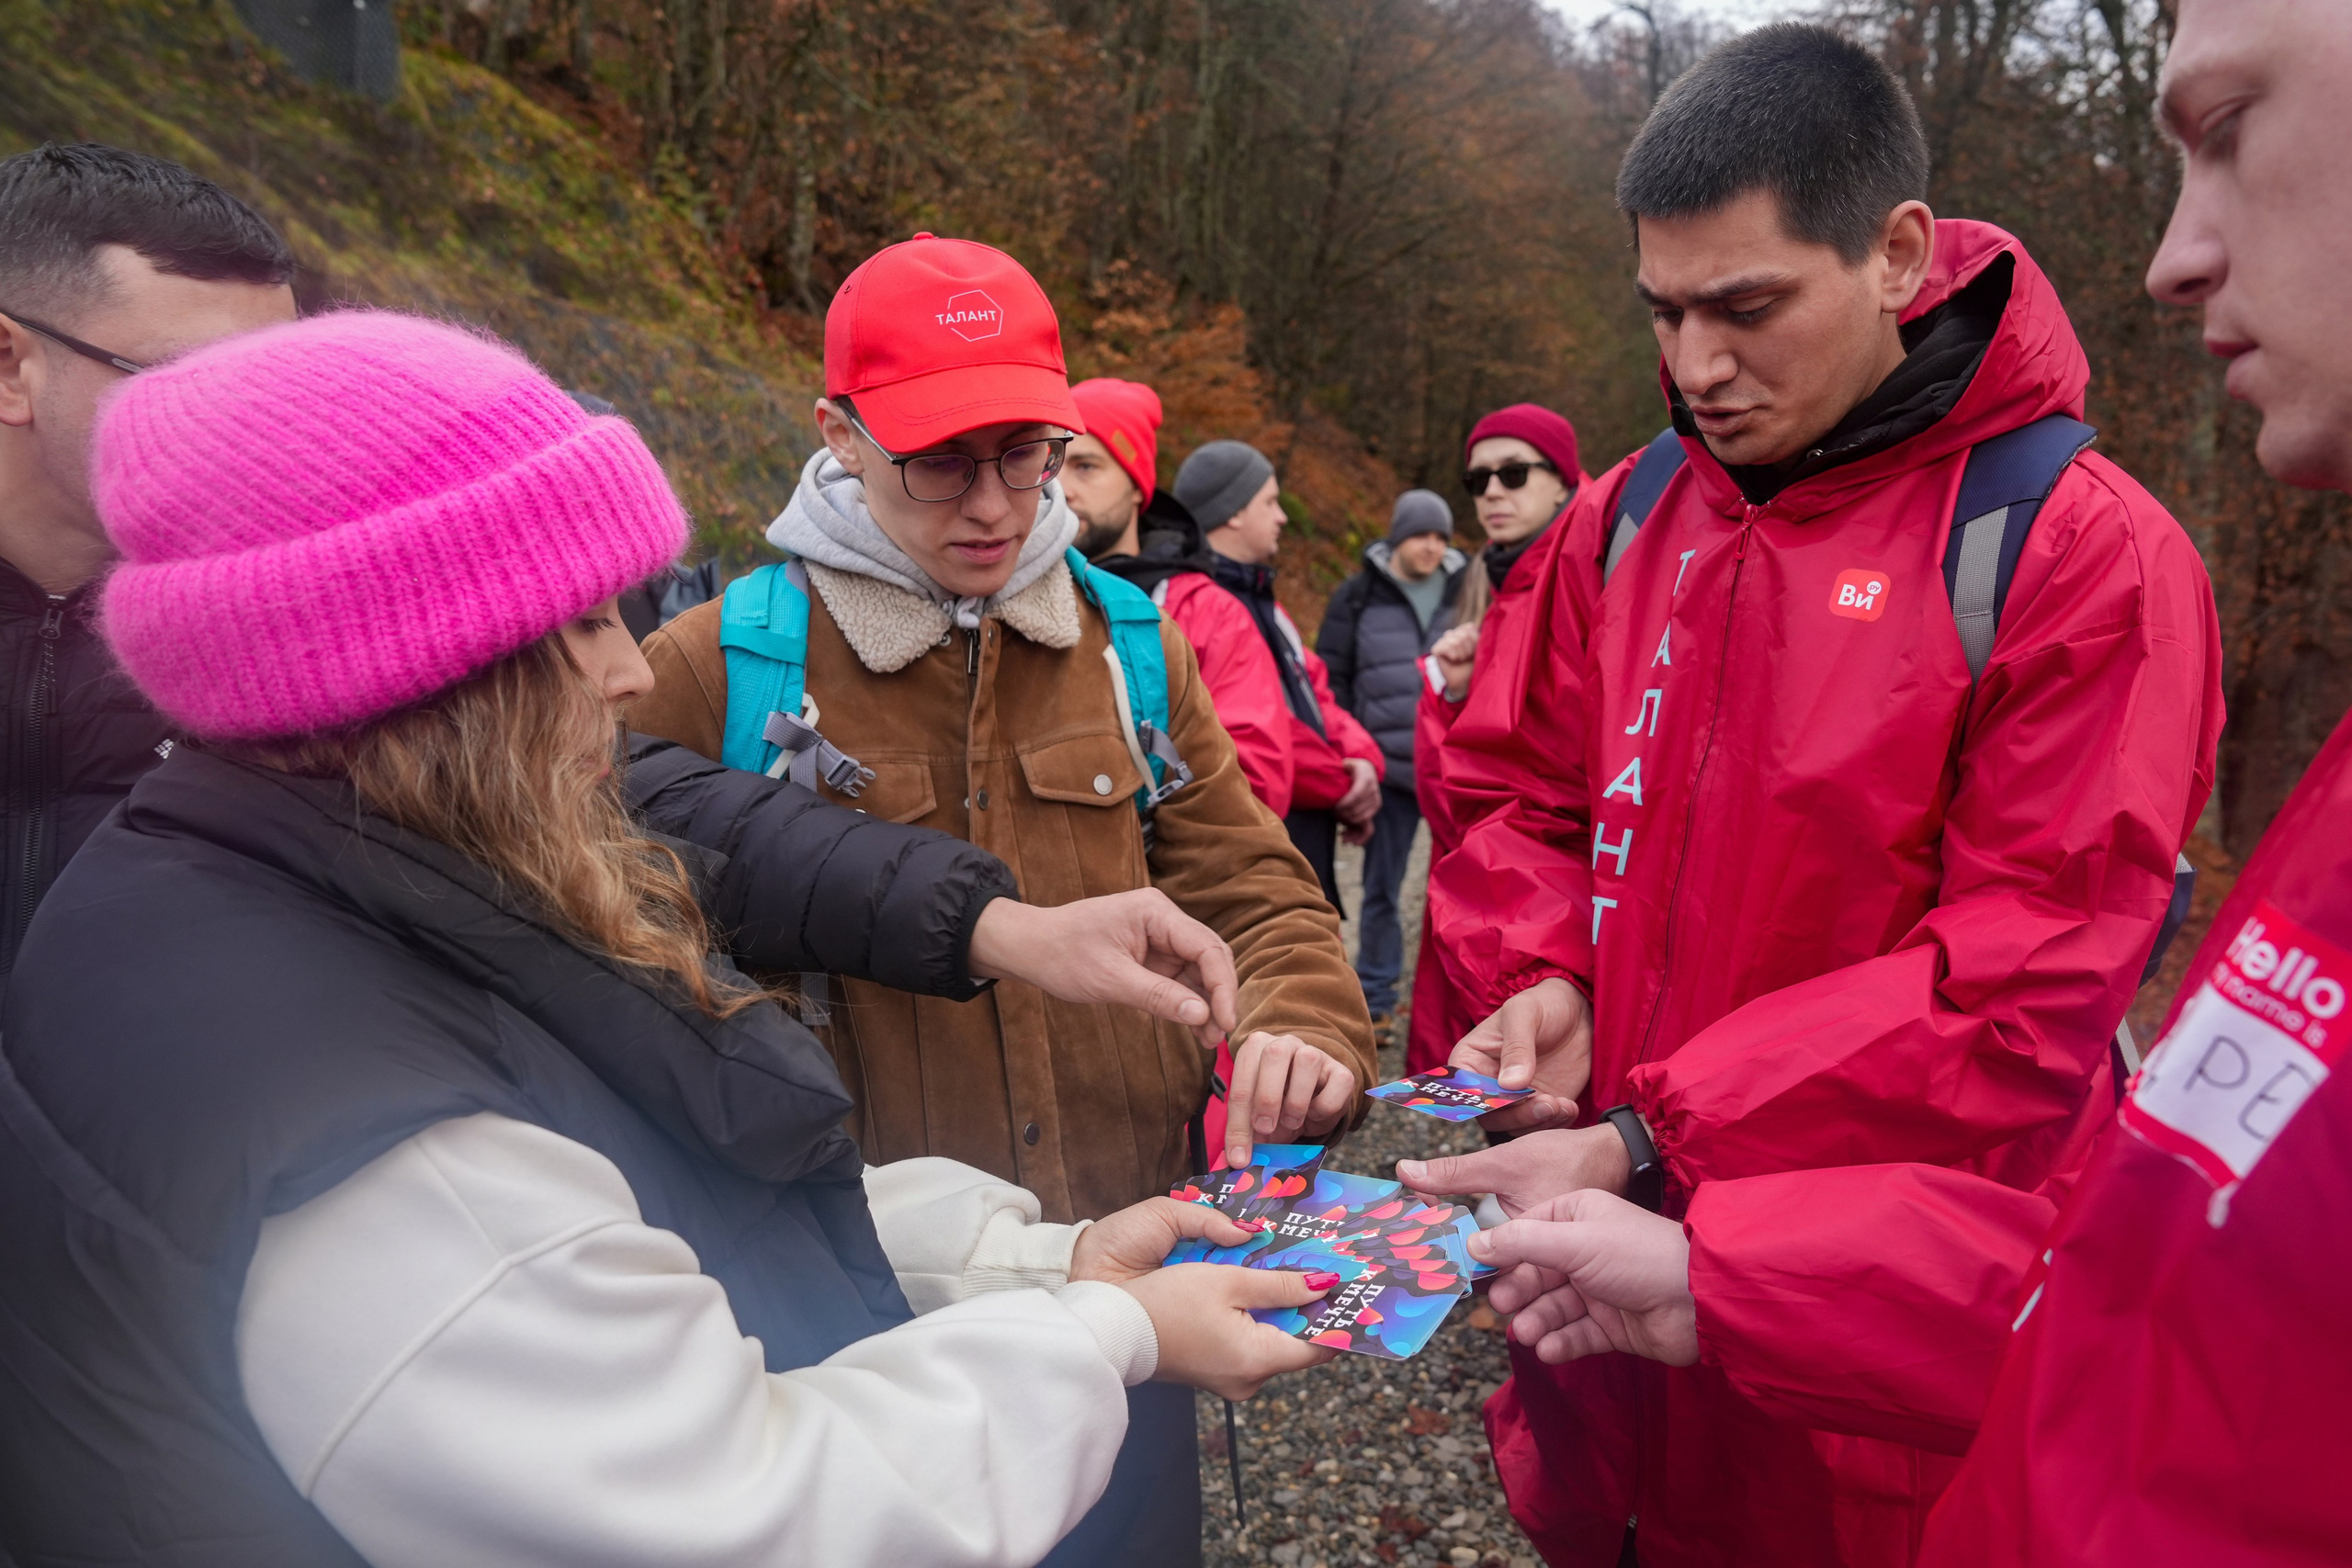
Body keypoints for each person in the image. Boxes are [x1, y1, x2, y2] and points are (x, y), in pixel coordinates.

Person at [0, 310, 1343, 1568]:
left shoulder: (302, 876)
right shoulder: (382, 1144)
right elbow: (751, 1506)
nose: (630, 672)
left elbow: (661, 1203)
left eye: (1028, 457)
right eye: (581, 621)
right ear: (411, 666)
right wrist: (1097, 1327)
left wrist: (1037, 1259)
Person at [1409, 10, 2352, 1562]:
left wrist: (1653, 1137)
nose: (1694, 365)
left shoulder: (2073, 549)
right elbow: (1515, 787)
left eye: (1747, 306)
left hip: (1866, 1395)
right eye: (1662, 312)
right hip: (1606, 1351)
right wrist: (1541, 973)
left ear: (1900, 255)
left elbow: (2021, 982)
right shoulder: (1624, 516)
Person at [630, 239, 1374, 1562]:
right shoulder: (715, 663)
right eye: (939, 459)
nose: (990, 503)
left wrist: (1307, 1021)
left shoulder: (1130, 646)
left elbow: (1258, 882)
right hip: (874, 1308)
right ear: (839, 435)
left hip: (1134, 1269)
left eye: (1025, 452)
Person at [0, 140, 298, 982]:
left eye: (281, 390)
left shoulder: (293, 621)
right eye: (195, 383)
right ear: (10, 366)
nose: (260, 436)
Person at [1406, 404, 1587, 1072]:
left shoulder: (1591, 575)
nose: (1492, 494)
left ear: (1563, 480)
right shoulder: (1498, 583)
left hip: (1561, 882)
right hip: (1500, 878)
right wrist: (1453, 691)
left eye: (1513, 473)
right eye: (1477, 481)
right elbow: (1456, 789)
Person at [1069, 376, 1297, 818]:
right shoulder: (1006, 597)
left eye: (1086, 467)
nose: (1062, 487)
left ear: (1136, 485)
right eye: (1050, 463)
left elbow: (1256, 782)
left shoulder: (1205, 611)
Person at [1176, 438, 1385, 906]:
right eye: (1270, 502)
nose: (1283, 516)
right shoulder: (1200, 608)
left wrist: (1362, 755)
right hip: (1254, 847)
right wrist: (1343, 782)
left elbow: (1316, 693)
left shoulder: (1266, 603)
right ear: (1233, 513)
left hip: (1304, 833)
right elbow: (1258, 737)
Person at [1316, 489, 1467, 1037]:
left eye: (1440, 537)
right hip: (1390, 775)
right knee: (1382, 888)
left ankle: (1466, 1008)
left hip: (1455, 773)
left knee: (1462, 892)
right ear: (1399, 537)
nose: (1432, 547)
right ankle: (1376, 999)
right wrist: (1349, 755)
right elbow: (1332, 678)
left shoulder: (1468, 589)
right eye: (1421, 535)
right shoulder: (1358, 596)